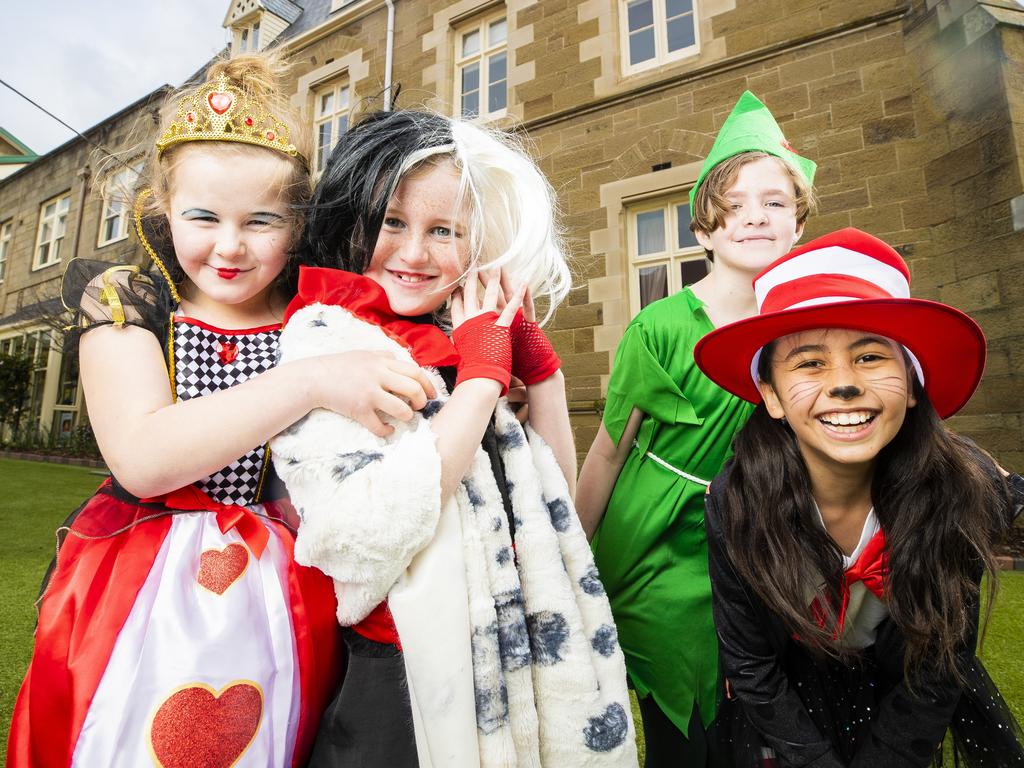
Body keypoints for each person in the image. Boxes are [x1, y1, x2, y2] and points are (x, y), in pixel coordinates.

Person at [7, 53, 437, 768]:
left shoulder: (322, 314)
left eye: (261, 220)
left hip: (290, 590)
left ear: (296, 226)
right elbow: (145, 458)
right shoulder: (131, 303)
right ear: (163, 212)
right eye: (203, 216)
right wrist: (312, 383)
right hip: (137, 582)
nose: (230, 246)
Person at [269, 109, 639, 767]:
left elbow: (547, 499)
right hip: (404, 673)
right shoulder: (326, 339)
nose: (415, 254)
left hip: (506, 651)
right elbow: (366, 534)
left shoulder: (458, 336)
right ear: (351, 220)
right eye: (392, 223)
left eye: (443, 230)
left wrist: (539, 373)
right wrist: (481, 379)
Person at [694, 227, 1024, 767]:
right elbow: (751, 665)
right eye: (809, 362)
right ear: (771, 396)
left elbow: (940, 663)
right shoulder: (736, 506)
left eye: (871, 357)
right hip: (789, 702)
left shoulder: (960, 496)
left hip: (904, 685)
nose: (844, 384)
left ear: (913, 384)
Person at [574, 91, 817, 765]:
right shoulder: (659, 327)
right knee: (685, 730)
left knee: (765, 721)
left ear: (798, 222)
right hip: (658, 544)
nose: (754, 218)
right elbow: (606, 452)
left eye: (774, 202)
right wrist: (571, 557)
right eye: (732, 207)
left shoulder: (810, 331)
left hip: (762, 542)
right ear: (704, 231)